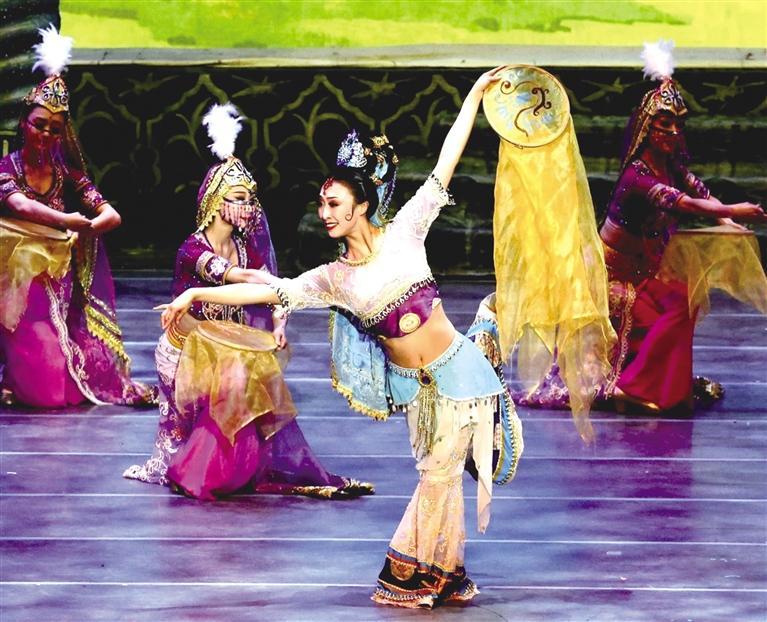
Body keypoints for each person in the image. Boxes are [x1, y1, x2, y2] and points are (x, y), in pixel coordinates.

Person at [158, 68, 520, 609]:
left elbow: (447, 159)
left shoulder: (407, 232)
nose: (324, 213)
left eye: (333, 204)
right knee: (438, 476)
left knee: (440, 476)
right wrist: (193, 294)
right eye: (321, 204)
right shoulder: (333, 279)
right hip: (420, 394)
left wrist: (472, 97)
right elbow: (272, 291)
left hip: (461, 375)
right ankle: (447, 571)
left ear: (362, 205)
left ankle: (410, 570)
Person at [124, 103, 373, 501]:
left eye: (251, 198)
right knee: (241, 375)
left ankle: (229, 469)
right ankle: (199, 472)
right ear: (215, 201)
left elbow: (265, 292)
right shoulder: (193, 249)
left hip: (224, 350)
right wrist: (287, 286)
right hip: (188, 352)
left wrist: (279, 320)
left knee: (249, 371)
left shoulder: (244, 245)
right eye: (240, 198)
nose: (249, 207)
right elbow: (241, 277)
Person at [599, 41, 766, 413]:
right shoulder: (638, 177)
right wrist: (735, 209)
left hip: (643, 273)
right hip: (613, 279)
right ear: (647, 128)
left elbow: (699, 190)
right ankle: (634, 387)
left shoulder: (670, 165)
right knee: (674, 309)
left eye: (678, 124)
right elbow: (685, 203)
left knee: (684, 301)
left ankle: (652, 387)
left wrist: (728, 222)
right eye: (665, 125)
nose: (673, 131)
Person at [0, 25, 155, 407]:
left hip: (53, 286)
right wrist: (68, 221)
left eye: (54, 130)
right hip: (10, 283)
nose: (44, 135)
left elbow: (111, 215)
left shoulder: (67, 174)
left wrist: (88, 227)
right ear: (24, 124)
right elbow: (20, 206)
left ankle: (19, 375)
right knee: (48, 390)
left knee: (58, 391)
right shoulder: (7, 167)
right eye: (39, 125)